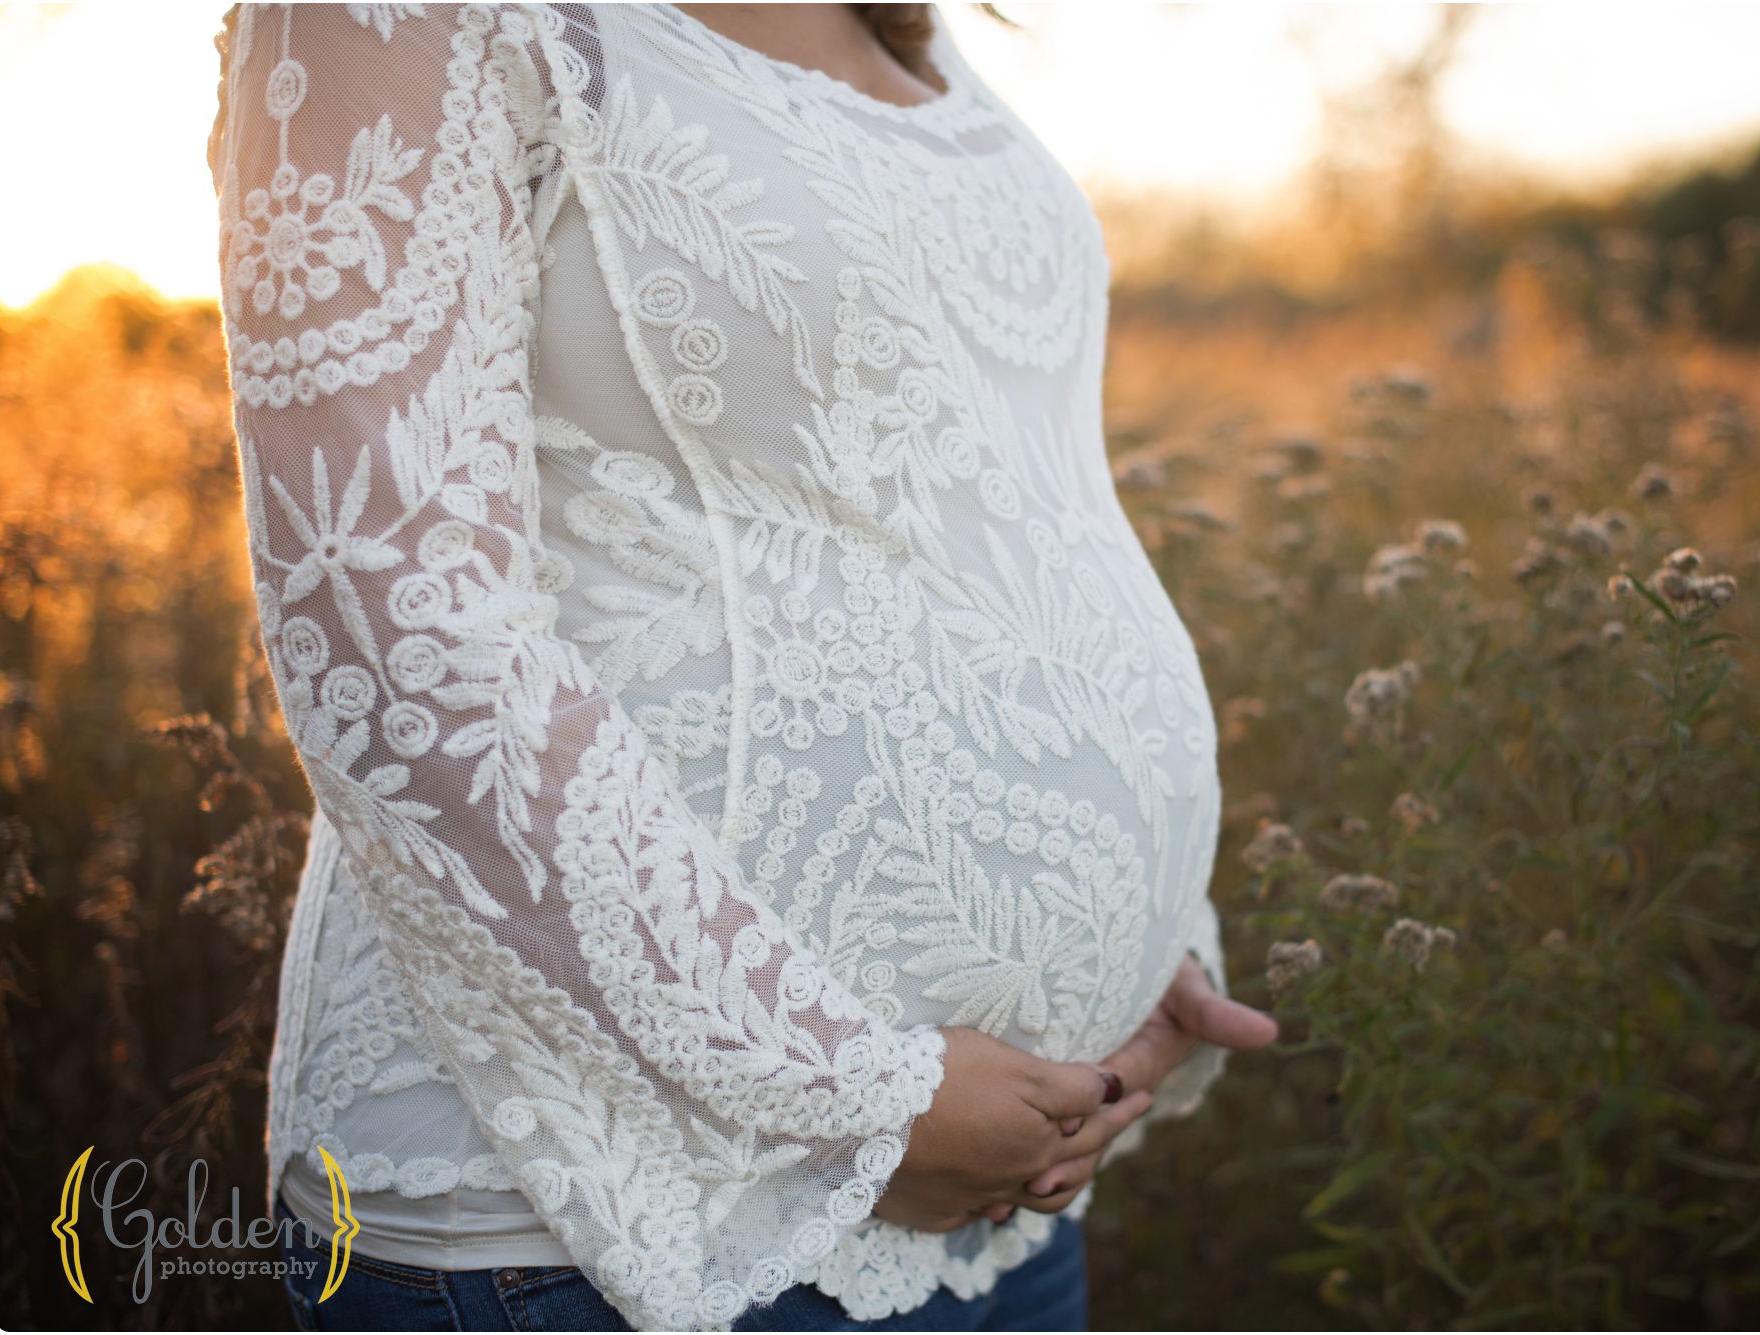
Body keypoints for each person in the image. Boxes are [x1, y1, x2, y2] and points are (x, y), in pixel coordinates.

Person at [206, 3, 1277, 1329]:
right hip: (605, 1222)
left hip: (1004, 1196)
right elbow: (391, 615)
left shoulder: (900, 29)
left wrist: (1134, 938)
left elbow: (1001, 489)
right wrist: (851, 1097)